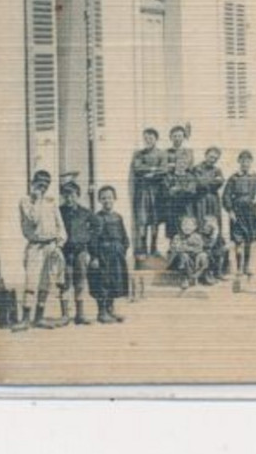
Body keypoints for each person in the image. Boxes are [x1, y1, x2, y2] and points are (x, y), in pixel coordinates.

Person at [15, 169, 67, 331]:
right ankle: (25, 319)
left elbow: (60, 225)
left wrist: (59, 244)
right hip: (35, 246)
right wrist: (36, 200)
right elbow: (33, 220)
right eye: (39, 183)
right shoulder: (25, 201)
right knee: (31, 282)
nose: (43, 187)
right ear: (33, 183)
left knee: (46, 283)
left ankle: (39, 317)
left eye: (46, 184)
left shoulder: (51, 202)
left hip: (51, 246)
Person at [221, 150, 256, 280]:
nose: (245, 164)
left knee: (248, 240)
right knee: (238, 241)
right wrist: (230, 211)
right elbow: (226, 196)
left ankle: (246, 266)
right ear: (239, 162)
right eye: (242, 161)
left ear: (251, 162)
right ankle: (238, 267)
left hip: (250, 213)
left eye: (247, 161)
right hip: (237, 213)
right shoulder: (234, 178)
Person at [56, 179, 96, 326]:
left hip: (80, 252)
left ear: (78, 195)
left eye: (72, 195)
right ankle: (65, 315)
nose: (69, 198)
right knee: (64, 283)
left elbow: (97, 226)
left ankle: (80, 314)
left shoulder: (85, 212)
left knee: (80, 282)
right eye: (66, 195)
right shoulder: (58, 212)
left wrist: (87, 238)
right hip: (64, 252)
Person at [89, 185, 130, 324]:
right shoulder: (97, 217)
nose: (107, 200)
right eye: (104, 198)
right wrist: (94, 256)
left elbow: (124, 237)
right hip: (103, 254)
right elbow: (93, 239)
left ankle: (110, 310)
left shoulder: (118, 217)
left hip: (117, 254)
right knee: (103, 281)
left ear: (115, 199)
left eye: (110, 197)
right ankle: (102, 312)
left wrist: (122, 249)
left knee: (115, 281)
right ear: (99, 200)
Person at [128, 128, 166, 259]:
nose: (148, 140)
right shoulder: (139, 154)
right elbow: (138, 169)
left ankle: (154, 248)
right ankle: (142, 249)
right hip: (143, 192)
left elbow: (164, 170)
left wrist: (151, 172)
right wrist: (154, 170)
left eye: (151, 138)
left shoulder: (162, 154)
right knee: (143, 220)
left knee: (155, 220)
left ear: (156, 139)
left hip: (156, 192)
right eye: (146, 138)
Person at [167, 215, 208, 290]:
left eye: (189, 225)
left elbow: (199, 248)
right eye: (184, 225)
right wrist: (187, 249)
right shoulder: (177, 237)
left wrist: (186, 248)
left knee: (203, 256)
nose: (186, 227)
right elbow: (174, 248)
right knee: (184, 256)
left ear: (195, 227)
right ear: (181, 226)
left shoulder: (197, 237)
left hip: (193, 260)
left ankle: (196, 276)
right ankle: (185, 278)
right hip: (179, 262)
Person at [200, 215, 229, 285]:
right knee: (209, 256)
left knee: (221, 254)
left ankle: (218, 272)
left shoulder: (216, 235)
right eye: (206, 226)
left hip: (215, 250)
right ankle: (208, 275)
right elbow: (204, 244)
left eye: (211, 226)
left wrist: (223, 247)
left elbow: (222, 243)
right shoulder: (202, 234)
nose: (207, 228)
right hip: (206, 250)